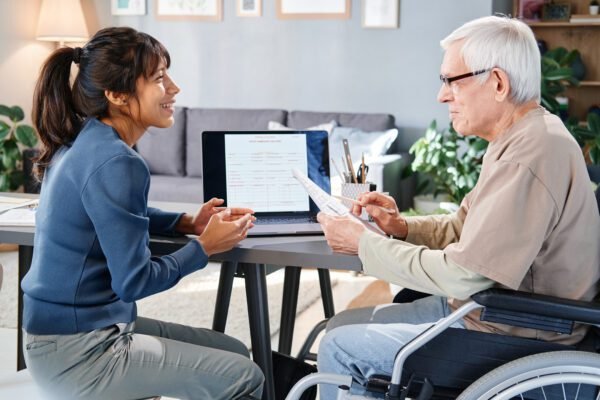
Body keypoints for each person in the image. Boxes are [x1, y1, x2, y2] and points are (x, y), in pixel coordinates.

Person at [316, 15, 600, 399]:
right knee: (342, 325)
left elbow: (466, 275)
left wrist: (363, 245)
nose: (442, 95)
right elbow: (464, 226)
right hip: (494, 314)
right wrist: (401, 227)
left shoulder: (530, 153)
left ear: (498, 83)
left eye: (452, 81)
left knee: (340, 347)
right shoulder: (519, 138)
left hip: (516, 332)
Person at [21, 27, 264, 400]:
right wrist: (204, 247)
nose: (175, 89)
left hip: (66, 337)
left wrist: (183, 222)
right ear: (117, 95)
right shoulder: (117, 161)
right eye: (159, 79)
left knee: (235, 351)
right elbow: (134, 282)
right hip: (80, 353)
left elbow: (111, 214)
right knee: (246, 375)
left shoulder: (85, 139)